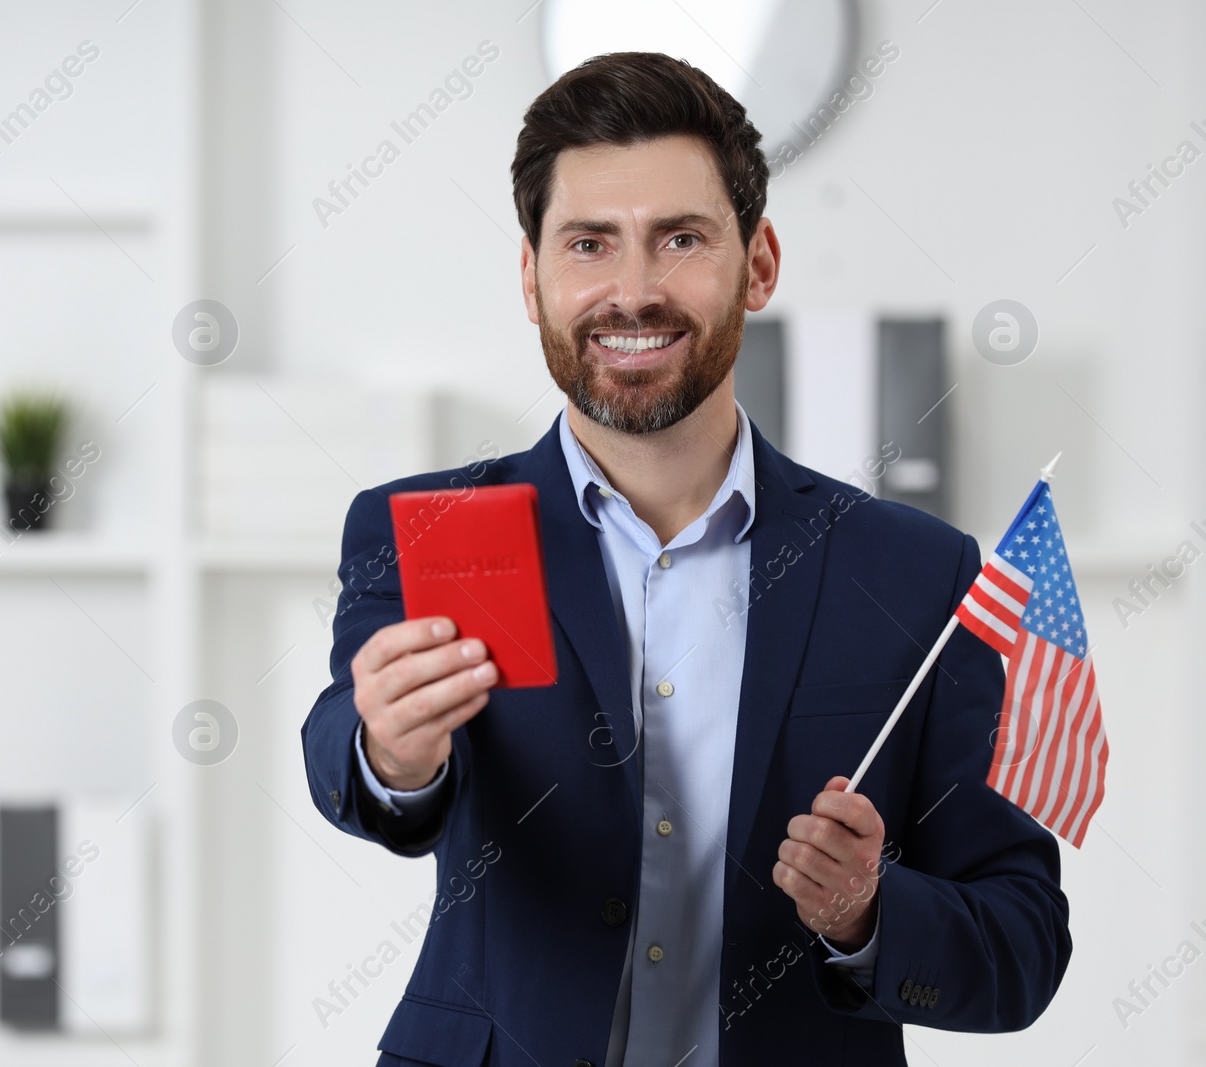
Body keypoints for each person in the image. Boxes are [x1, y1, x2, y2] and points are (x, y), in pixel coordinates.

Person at [301, 52, 1070, 1067]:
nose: (632, 291)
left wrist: (867, 911)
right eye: (588, 243)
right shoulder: (428, 528)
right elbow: (341, 755)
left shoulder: (916, 574)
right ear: (531, 277)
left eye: (681, 239)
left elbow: (1020, 946)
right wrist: (393, 757)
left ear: (757, 263)